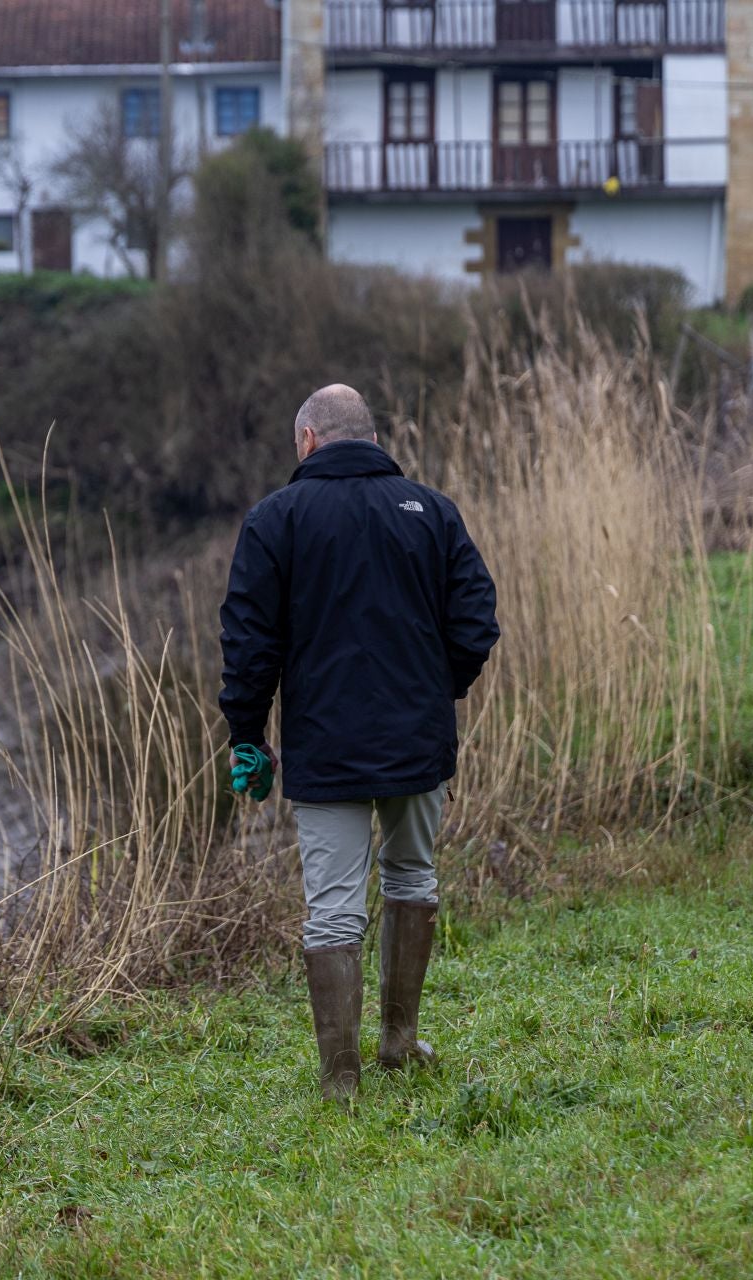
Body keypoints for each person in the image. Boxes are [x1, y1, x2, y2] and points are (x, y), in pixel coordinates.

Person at [219, 384, 499, 1100]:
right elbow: (475, 623)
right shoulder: (432, 512)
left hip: (325, 748)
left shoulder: (275, 519)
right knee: (412, 877)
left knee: (334, 908)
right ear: (372, 441)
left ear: (308, 440)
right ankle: (400, 1043)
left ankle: (341, 1081)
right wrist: (436, 694)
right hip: (418, 741)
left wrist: (248, 735)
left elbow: (250, 646)